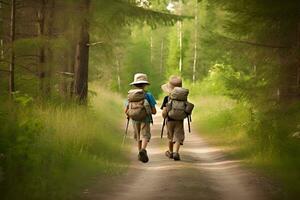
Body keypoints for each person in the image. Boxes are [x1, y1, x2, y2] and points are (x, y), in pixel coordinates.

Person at [125, 73, 157, 163]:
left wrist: (130, 114)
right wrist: (151, 111)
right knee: (145, 135)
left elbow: (126, 110)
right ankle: (143, 149)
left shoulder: (130, 95)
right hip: (145, 118)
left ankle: (140, 152)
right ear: (145, 85)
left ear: (134, 84)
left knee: (138, 136)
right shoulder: (148, 95)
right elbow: (154, 111)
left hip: (134, 119)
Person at [161, 75, 185, 161]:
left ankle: (170, 152)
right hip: (179, 121)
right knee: (178, 137)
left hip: (169, 121)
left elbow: (164, 112)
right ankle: (176, 152)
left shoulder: (167, 98)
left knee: (170, 137)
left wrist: (164, 116)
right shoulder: (183, 99)